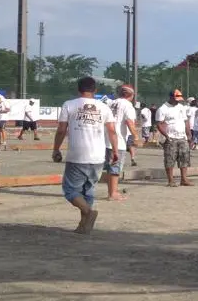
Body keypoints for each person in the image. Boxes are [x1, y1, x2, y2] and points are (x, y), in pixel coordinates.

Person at [52, 77, 118, 234]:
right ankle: (84, 225)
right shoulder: (104, 107)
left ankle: (88, 213)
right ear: (95, 90)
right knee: (88, 191)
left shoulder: (69, 105)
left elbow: (61, 130)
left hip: (77, 155)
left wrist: (56, 149)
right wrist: (115, 151)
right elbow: (112, 131)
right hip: (97, 156)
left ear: (78, 89)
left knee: (70, 190)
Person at [104, 85, 138, 201]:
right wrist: (136, 136)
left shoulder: (112, 103)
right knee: (115, 167)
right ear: (131, 95)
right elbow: (129, 122)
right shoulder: (128, 106)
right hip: (118, 140)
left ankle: (111, 191)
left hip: (106, 138)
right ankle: (113, 193)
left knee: (109, 167)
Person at [156, 89, 194, 187]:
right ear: (171, 97)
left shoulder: (181, 107)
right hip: (171, 138)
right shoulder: (163, 109)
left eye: (179, 99)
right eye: (176, 99)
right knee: (170, 159)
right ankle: (171, 180)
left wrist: (189, 134)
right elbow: (159, 124)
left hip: (182, 137)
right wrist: (166, 136)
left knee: (184, 158)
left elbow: (186, 121)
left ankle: (184, 179)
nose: (178, 101)